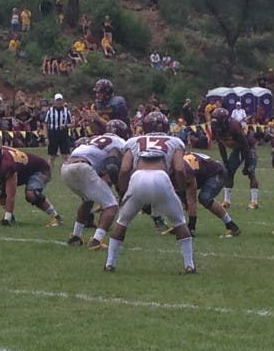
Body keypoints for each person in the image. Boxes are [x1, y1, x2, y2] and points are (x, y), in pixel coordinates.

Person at [105, 130, 196, 274]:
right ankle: (189, 265)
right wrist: (181, 192)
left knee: (122, 221)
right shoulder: (175, 141)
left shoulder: (133, 141)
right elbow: (179, 169)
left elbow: (124, 169)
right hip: (161, 178)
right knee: (179, 222)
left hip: (138, 177)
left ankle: (110, 263)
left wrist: (122, 192)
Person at [59, 120, 127, 249]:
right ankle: (96, 240)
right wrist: (120, 188)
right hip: (84, 167)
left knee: (88, 199)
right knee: (111, 206)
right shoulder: (120, 143)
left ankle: (76, 235)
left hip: (66, 167)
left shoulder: (95, 138)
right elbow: (112, 165)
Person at [0, 137, 63, 226]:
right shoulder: (0, 156)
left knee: (31, 194)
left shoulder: (7, 164)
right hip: (24, 171)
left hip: (40, 170)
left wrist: (7, 220)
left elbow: (11, 195)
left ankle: (56, 217)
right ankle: (10, 217)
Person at [178, 150, 241, 237]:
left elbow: (192, 199)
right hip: (202, 173)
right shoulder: (178, 163)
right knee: (181, 198)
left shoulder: (184, 169)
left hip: (216, 173)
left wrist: (191, 226)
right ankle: (181, 225)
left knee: (204, 198)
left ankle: (231, 226)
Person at [209, 107, 260, 209]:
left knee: (250, 171)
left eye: (217, 119)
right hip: (237, 148)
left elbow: (245, 145)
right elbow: (221, 145)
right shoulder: (216, 127)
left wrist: (247, 163)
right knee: (228, 172)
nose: (215, 122)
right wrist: (226, 161)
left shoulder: (234, 126)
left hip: (248, 147)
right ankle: (226, 200)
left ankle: (254, 201)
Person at [42, 93, 73, 168]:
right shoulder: (50, 111)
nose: (59, 102)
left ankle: (67, 170)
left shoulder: (67, 111)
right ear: (54, 101)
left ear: (62, 101)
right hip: (53, 133)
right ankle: (48, 171)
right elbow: (45, 124)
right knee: (52, 156)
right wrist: (46, 137)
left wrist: (65, 126)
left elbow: (71, 124)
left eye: (60, 100)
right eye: (57, 100)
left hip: (63, 134)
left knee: (65, 155)